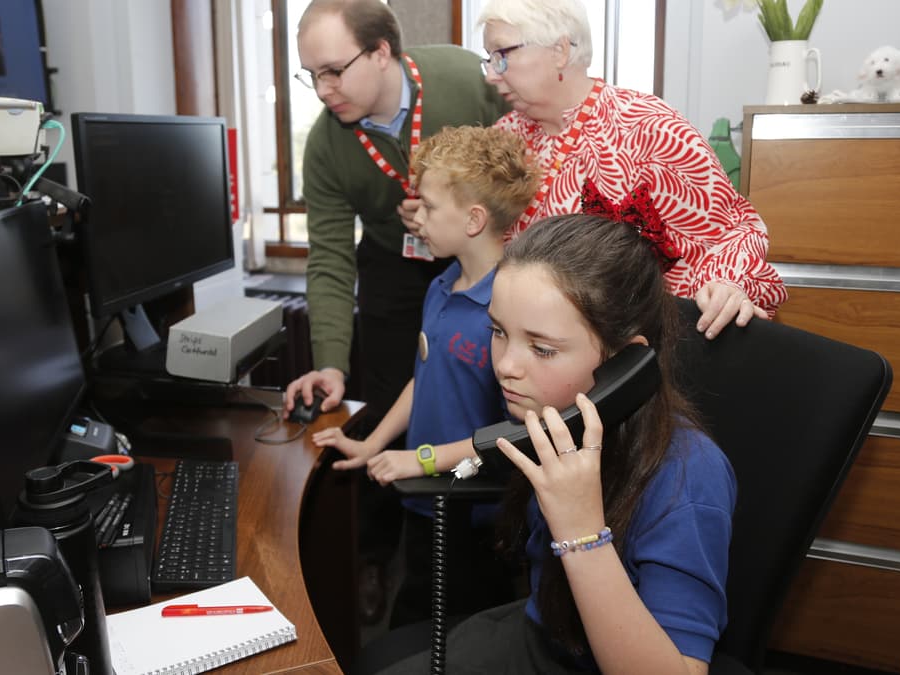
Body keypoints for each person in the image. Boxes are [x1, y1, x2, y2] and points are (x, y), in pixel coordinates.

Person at [377, 213, 736, 674]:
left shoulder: (688, 478)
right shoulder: (552, 424)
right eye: (498, 332)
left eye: (542, 349)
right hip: (542, 631)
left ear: (624, 363)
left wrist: (581, 534)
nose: (505, 365)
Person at [286, 0, 509, 622]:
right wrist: (330, 363)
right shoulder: (328, 145)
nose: (324, 90)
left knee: (490, 385)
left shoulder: (464, 79)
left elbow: (527, 162)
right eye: (312, 75)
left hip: (481, 245)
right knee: (387, 398)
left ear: (382, 50)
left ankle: (493, 538)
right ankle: (378, 559)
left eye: (334, 70)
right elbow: (330, 258)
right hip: (393, 263)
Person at [312, 125, 540, 626]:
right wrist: (374, 444)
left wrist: (423, 460)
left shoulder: (510, 307)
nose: (419, 217)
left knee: (457, 632)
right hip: (425, 496)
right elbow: (426, 377)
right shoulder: (441, 286)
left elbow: (516, 432)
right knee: (414, 618)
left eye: (431, 207)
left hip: (471, 505)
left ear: (474, 219)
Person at [464, 0, 787, 341]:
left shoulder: (647, 127)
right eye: (488, 59)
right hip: (527, 347)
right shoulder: (503, 139)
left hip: (638, 351)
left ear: (559, 50)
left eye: (502, 54)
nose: (491, 75)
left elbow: (731, 233)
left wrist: (726, 285)